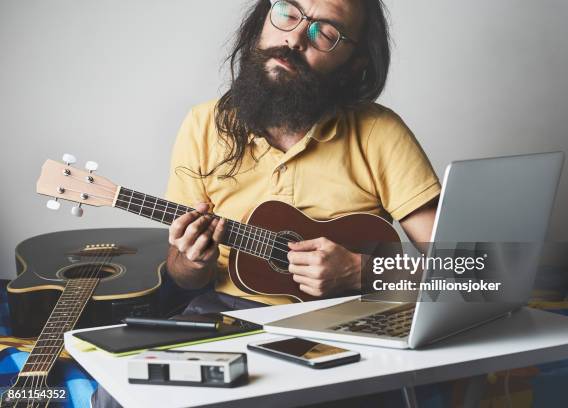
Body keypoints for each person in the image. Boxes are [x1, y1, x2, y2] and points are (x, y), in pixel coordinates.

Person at [93, 0, 440, 405]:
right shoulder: (203, 125)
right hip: (227, 316)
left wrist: (364, 273)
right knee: (122, 390)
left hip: (348, 321)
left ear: (355, 62)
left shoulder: (381, 133)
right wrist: (191, 260)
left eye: (325, 32)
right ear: (261, 23)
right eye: (287, 12)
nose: (293, 38)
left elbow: (475, 271)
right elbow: (184, 275)